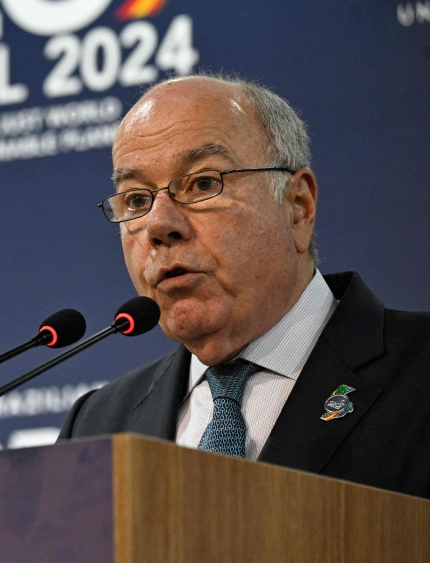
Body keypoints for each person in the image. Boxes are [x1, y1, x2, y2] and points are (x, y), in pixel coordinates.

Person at [59, 74, 430, 499]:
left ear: (298, 207)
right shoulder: (97, 425)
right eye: (137, 200)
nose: (159, 226)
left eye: (202, 183)